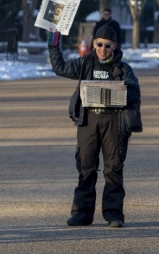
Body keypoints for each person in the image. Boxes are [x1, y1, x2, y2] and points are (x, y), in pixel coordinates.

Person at [47, 25, 140, 229]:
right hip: (88, 121)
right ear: (94, 44)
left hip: (114, 123)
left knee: (113, 168)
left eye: (107, 45)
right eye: (99, 44)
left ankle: (114, 215)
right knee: (86, 167)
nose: (103, 49)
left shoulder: (123, 69)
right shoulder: (85, 63)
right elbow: (60, 68)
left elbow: (134, 93)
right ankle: (81, 214)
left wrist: (113, 92)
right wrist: (53, 43)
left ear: (114, 46)